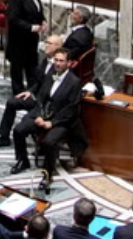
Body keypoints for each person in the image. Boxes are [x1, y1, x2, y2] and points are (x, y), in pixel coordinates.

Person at [10, 47, 83, 178]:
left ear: (69, 63)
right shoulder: (50, 75)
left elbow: (71, 109)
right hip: (43, 115)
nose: (58, 63)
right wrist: (39, 116)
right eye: (56, 60)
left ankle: (47, 173)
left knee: (49, 142)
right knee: (18, 130)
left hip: (61, 121)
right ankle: (23, 160)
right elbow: (41, 98)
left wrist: (52, 123)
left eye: (61, 61)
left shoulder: (74, 82)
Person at [5, 0, 47, 94]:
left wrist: (42, 20)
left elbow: (37, 9)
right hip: (18, 40)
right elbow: (13, 18)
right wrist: (31, 27)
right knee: (17, 67)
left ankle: (32, 90)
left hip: (31, 39)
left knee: (32, 65)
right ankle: (18, 92)